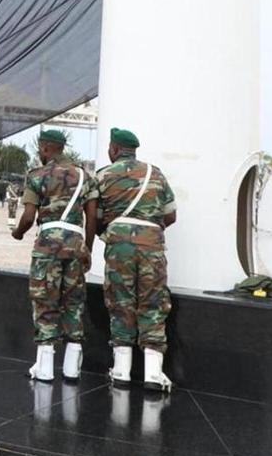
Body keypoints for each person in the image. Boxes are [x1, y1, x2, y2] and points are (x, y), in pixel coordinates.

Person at [94, 127, 176, 392]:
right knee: (153, 303)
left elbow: (95, 217)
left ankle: (121, 371)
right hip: (151, 244)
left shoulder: (103, 176)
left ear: (115, 149)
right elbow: (171, 215)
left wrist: (113, 232)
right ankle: (154, 374)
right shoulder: (156, 174)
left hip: (119, 248)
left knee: (120, 302)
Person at [13, 128, 97, 383]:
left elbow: (28, 216)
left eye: (40, 149)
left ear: (47, 148)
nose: (40, 153)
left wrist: (18, 232)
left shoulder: (37, 175)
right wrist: (87, 248)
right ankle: (72, 369)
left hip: (48, 245)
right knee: (73, 303)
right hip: (76, 245)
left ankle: (45, 368)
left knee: (45, 301)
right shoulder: (85, 177)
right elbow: (91, 217)